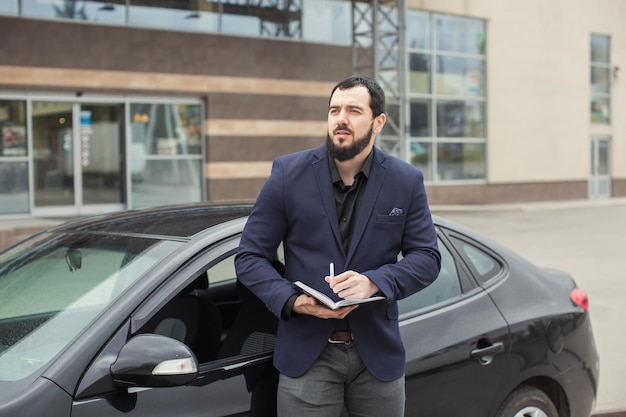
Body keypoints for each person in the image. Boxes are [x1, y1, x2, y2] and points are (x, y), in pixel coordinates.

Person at [235, 75, 441, 417]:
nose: (340, 118)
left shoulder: (405, 181)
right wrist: (293, 301)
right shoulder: (288, 174)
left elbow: (427, 258)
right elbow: (250, 257)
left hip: (376, 355)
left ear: (378, 122)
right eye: (334, 109)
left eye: (353, 110)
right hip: (307, 355)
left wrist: (374, 281)